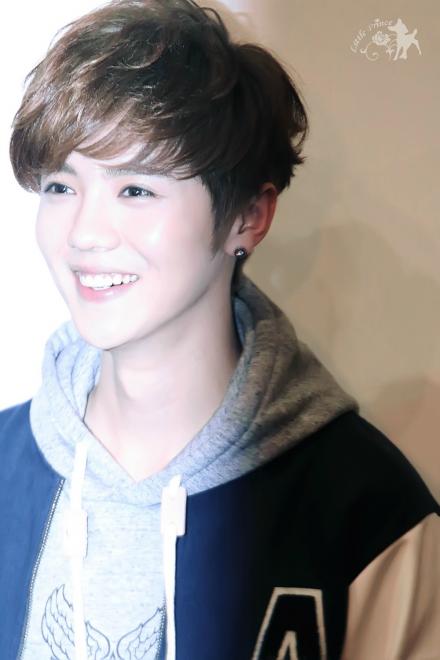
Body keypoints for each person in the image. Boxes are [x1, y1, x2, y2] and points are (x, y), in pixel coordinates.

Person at [1, 0, 438, 658]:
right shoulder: (6, 468)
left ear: (248, 218)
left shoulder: (371, 514)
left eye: (136, 190)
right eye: (60, 187)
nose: (84, 234)